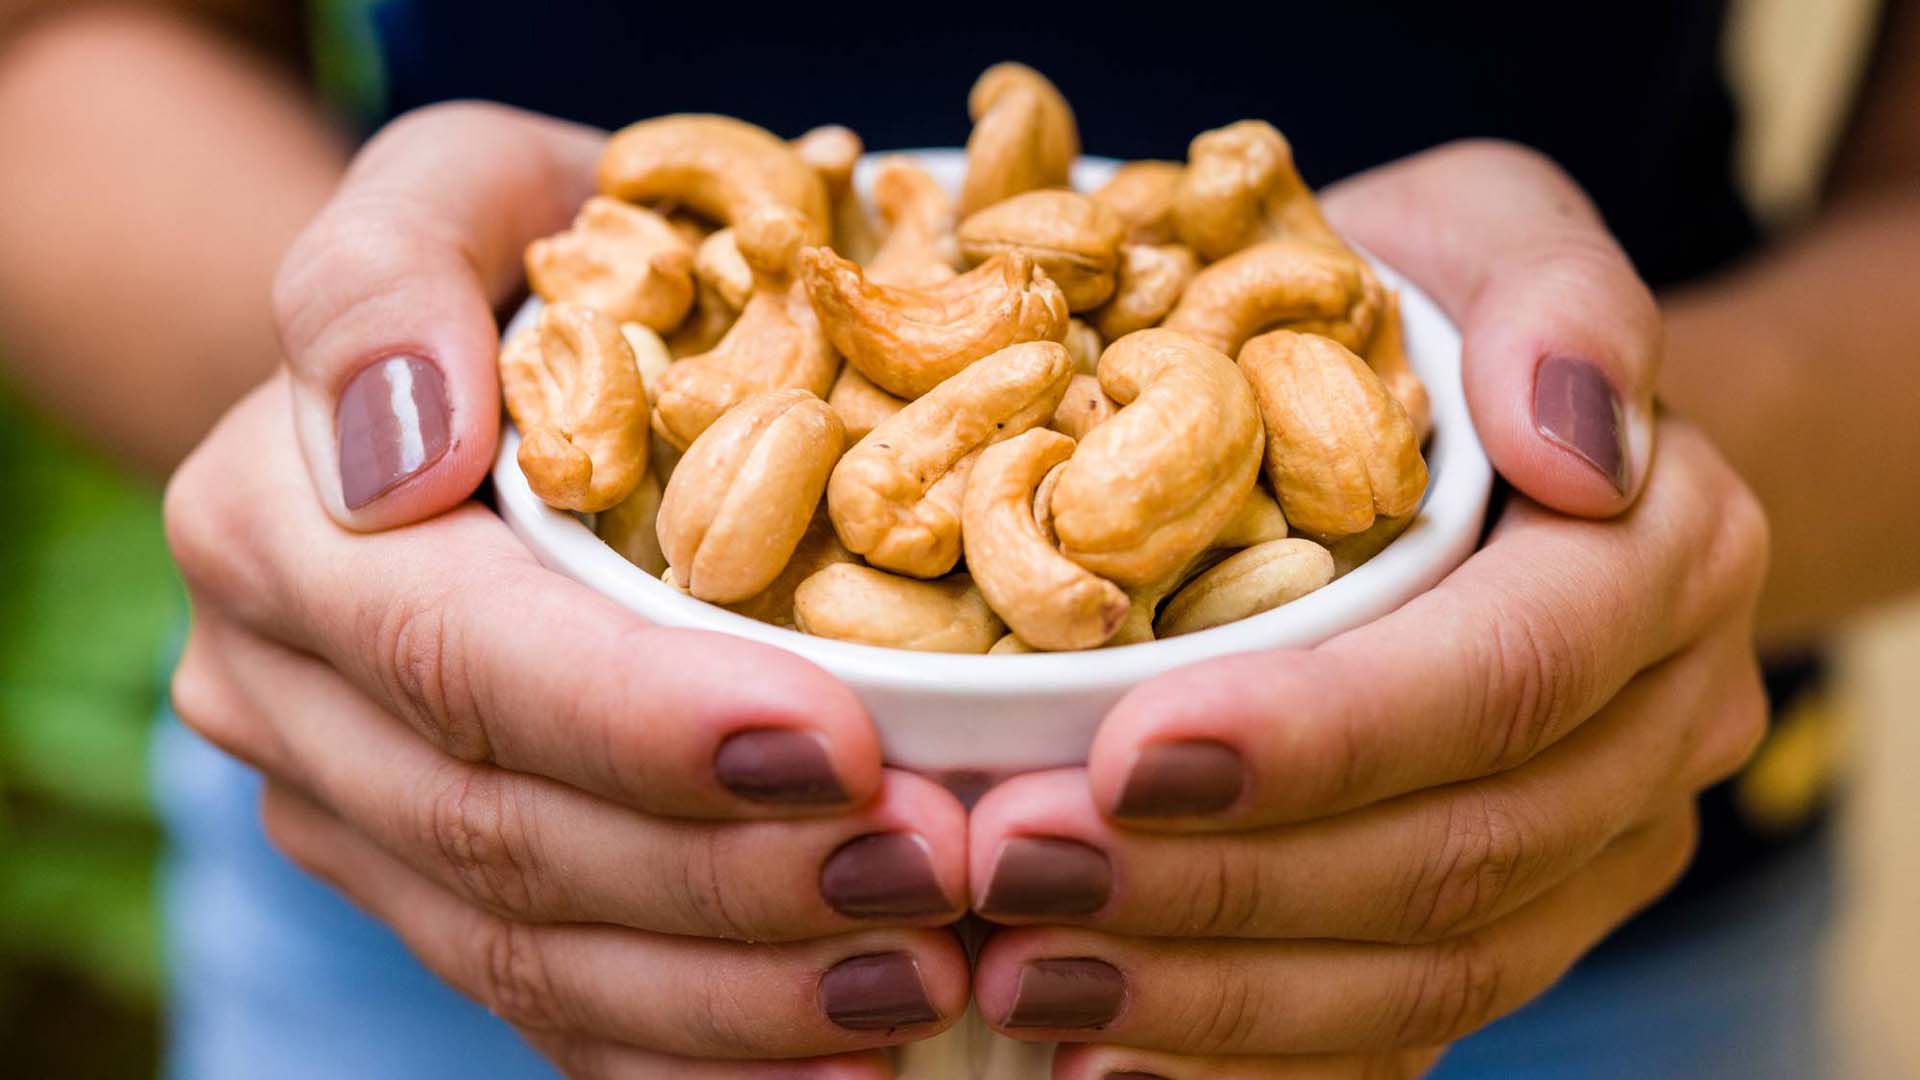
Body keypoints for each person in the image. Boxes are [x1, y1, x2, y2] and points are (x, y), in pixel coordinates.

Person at [0, 1, 1913, 1076]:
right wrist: (371, 430)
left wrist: (1617, 481)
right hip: (478, 894)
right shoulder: (817, 332)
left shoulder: (1098, 398)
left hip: (1526, 893)